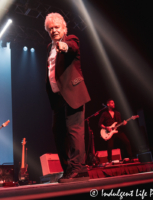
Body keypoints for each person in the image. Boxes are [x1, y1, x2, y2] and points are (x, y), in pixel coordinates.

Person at [44, 13, 91, 183]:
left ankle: (79, 168)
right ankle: (69, 169)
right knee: (58, 133)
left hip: (73, 93)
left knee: (75, 131)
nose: (54, 30)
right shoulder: (49, 46)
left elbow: (72, 47)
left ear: (64, 28)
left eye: (56, 27)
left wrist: (63, 46)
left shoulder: (71, 39)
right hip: (57, 98)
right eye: (50, 28)